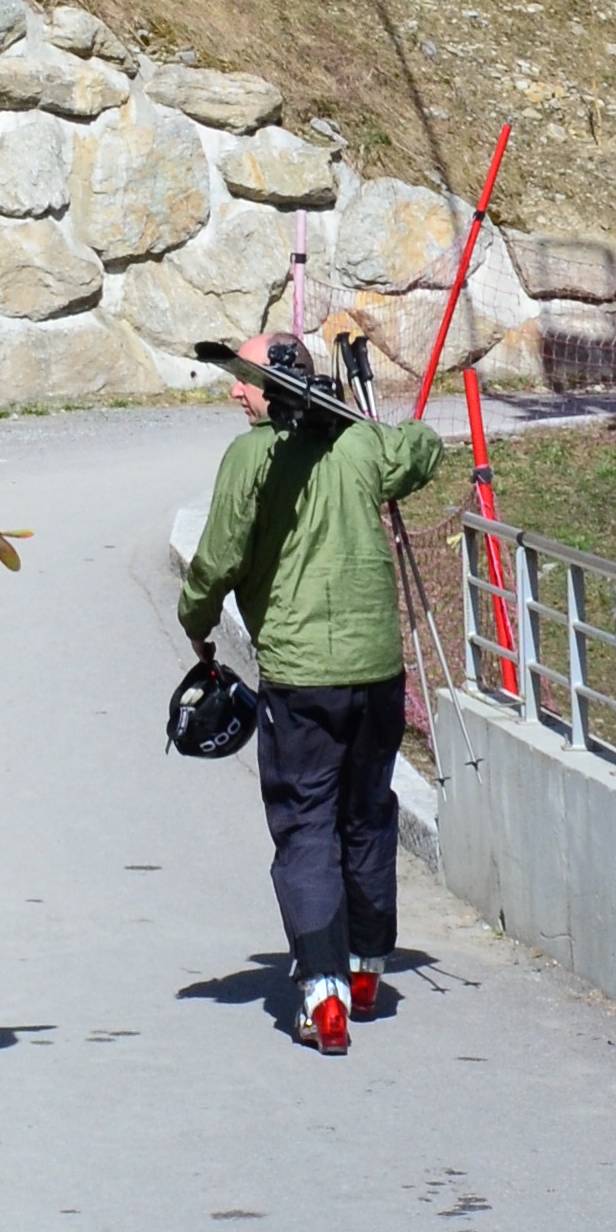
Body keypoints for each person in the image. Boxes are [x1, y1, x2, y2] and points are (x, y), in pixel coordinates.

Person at [176, 331, 445, 1056]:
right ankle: (366, 967)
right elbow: (422, 448)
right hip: (377, 672)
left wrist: (196, 621)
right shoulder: (362, 446)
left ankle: (323, 991)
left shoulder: (253, 458)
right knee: (367, 815)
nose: (235, 389)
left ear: (278, 389)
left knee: (306, 825)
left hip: (302, 679)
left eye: (246, 379)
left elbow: (218, 560)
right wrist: (372, 419)